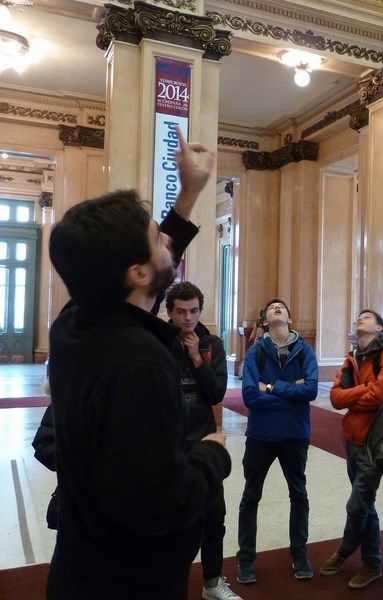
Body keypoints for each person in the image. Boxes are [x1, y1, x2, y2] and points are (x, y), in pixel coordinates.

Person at [46, 131, 232, 598]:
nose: (166, 243)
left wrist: (189, 194)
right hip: (128, 579)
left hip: (80, 565)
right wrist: (213, 453)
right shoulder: (138, 363)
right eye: (155, 239)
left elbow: (158, 261)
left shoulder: (75, 321)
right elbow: (161, 503)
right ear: (138, 273)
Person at [236, 298, 319, 583]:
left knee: (299, 495)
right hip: (261, 435)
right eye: (272, 308)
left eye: (281, 307)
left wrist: (270, 387)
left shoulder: (304, 351)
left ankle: (300, 555)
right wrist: (288, 394)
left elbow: (309, 390)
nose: (277, 309)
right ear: (265, 321)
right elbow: (249, 396)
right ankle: (245, 559)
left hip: (294, 434)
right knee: (250, 496)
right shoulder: (255, 353)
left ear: (290, 319)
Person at [166, 282, 238, 600]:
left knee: (214, 516)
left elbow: (216, 393)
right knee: (173, 522)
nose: (188, 318)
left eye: (193, 311)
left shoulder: (212, 345)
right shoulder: (157, 342)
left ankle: (212, 583)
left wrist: (197, 359)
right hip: (169, 442)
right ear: (169, 312)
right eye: (180, 311)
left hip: (205, 438)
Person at [321, 309, 383, 589]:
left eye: (367, 317)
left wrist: (353, 395)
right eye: (359, 317)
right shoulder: (352, 356)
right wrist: (361, 392)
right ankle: (373, 563)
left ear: (379, 327)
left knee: (357, 506)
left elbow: (380, 394)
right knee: (366, 505)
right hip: (350, 439)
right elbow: (334, 397)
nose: (360, 319)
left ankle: (343, 551)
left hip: (373, 443)